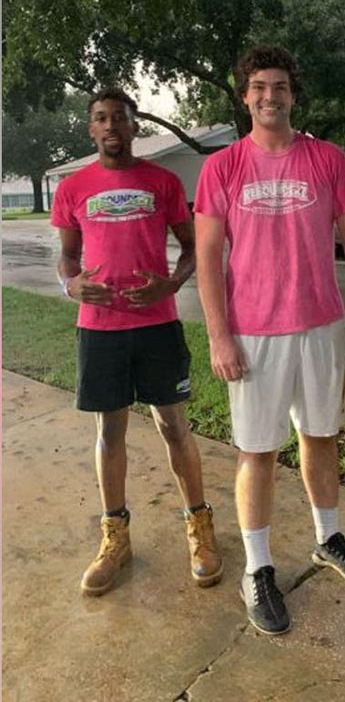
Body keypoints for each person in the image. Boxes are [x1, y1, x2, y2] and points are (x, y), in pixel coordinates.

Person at [193, 44, 345, 636]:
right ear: (245, 96)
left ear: (293, 94)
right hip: (253, 332)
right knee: (258, 452)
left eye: (279, 86)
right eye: (258, 87)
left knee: (321, 438)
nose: (269, 96)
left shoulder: (327, 159)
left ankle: (328, 539)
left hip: (321, 323)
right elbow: (206, 257)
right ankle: (259, 567)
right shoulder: (221, 168)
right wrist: (220, 336)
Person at [52, 87, 222, 596]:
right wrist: (71, 284)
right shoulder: (73, 188)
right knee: (110, 432)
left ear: (133, 127)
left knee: (174, 425)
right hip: (100, 330)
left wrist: (172, 282)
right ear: (91, 129)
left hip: (156, 326)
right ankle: (115, 537)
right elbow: (66, 257)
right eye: (101, 119)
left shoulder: (164, 182)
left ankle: (200, 527)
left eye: (119, 119)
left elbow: (192, 248)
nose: (110, 127)